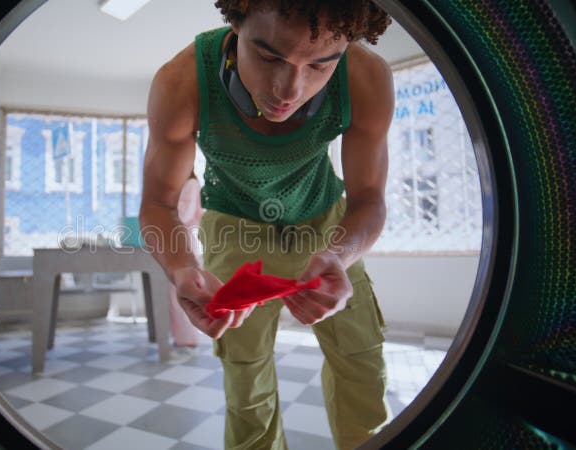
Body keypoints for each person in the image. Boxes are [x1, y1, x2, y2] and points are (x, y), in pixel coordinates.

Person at [140, 1, 393, 448]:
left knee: (364, 372)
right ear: (236, 23)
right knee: (247, 390)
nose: (289, 90)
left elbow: (369, 200)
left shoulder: (366, 77)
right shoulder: (181, 82)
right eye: (269, 56)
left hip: (328, 228)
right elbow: (158, 204)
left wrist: (340, 256)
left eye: (320, 65)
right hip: (233, 228)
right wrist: (181, 268)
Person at [168, 172, 202, 348]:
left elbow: (184, 214)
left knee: (180, 293)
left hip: (182, 240)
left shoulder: (189, 184)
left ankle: (186, 340)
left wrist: (163, 212)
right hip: (181, 239)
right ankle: (182, 338)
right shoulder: (188, 183)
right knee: (177, 293)